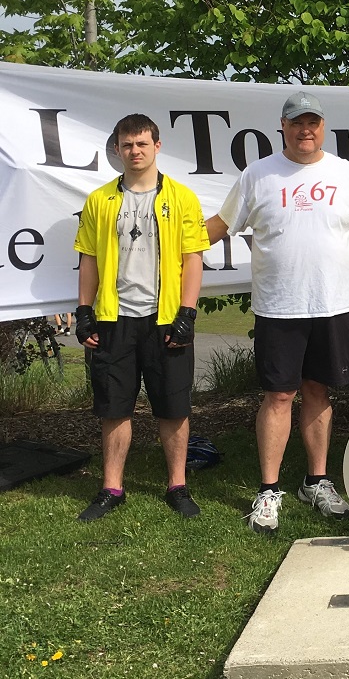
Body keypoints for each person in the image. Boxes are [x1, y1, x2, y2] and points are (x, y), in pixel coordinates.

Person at [205, 92, 349, 532]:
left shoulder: (345, 173)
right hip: (279, 307)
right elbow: (218, 227)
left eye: (313, 122)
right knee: (279, 396)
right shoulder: (257, 175)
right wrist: (162, 244)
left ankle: (315, 481)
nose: (306, 130)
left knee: (319, 393)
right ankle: (268, 491)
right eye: (297, 122)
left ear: (324, 126)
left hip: (332, 304)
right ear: (282, 126)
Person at [73, 113, 209, 522]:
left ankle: (178, 485)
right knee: (114, 408)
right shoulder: (99, 200)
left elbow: (194, 259)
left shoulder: (182, 197)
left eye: (142, 144)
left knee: (173, 407)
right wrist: (84, 311)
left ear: (157, 146)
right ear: (117, 149)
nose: (135, 151)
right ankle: (111, 487)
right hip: (115, 319)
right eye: (127, 145)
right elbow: (89, 259)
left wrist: (187, 312)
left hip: (165, 318)